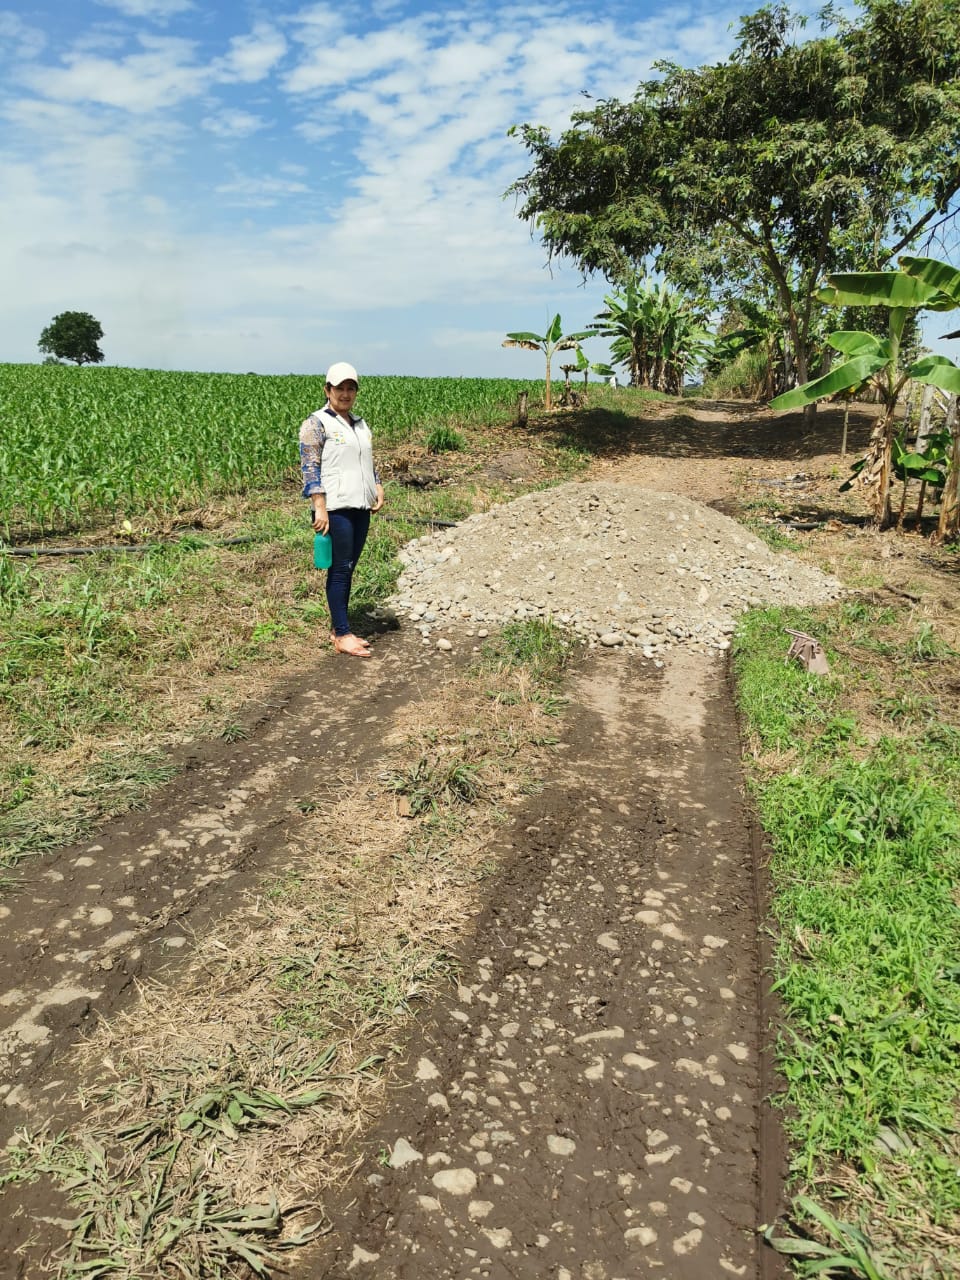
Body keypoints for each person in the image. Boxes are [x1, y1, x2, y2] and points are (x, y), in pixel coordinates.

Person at [299, 362, 385, 657]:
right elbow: (310, 469)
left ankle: (340, 628)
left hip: (360, 505)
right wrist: (319, 506)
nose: (345, 394)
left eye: (351, 388)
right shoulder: (316, 423)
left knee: (348, 567)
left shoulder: (359, 424)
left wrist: (377, 485)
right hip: (335, 507)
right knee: (340, 569)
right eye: (339, 388)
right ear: (328, 390)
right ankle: (343, 634)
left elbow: (366, 460)